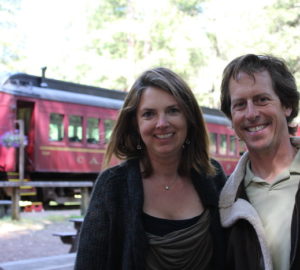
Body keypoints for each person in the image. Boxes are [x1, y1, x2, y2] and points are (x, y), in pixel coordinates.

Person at [75, 67, 227, 270]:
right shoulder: (113, 186)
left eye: (173, 110)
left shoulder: (212, 175)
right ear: (135, 125)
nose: (162, 123)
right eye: (149, 114)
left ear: (189, 119)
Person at [218, 54, 300, 270]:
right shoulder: (224, 201)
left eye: (262, 99)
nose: (251, 114)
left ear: (287, 105)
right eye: (240, 105)